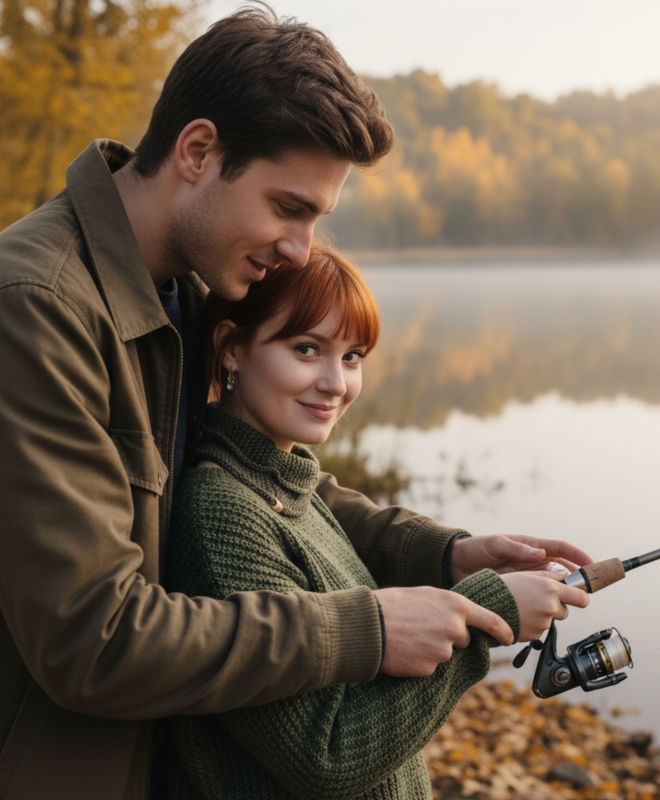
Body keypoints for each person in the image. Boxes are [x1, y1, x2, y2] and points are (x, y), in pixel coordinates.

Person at [0, 7, 592, 800]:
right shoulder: (38, 306)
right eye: (288, 207)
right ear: (198, 152)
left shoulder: (183, 288)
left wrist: (442, 556)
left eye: (316, 218)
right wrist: (369, 628)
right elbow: (93, 640)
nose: (301, 249)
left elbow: (259, 482)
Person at [163, 244, 590, 800]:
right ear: (231, 349)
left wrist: (455, 562)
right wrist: (494, 613)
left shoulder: (287, 484)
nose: (336, 384)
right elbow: (328, 753)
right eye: (307, 348)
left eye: (352, 356)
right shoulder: (223, 514)